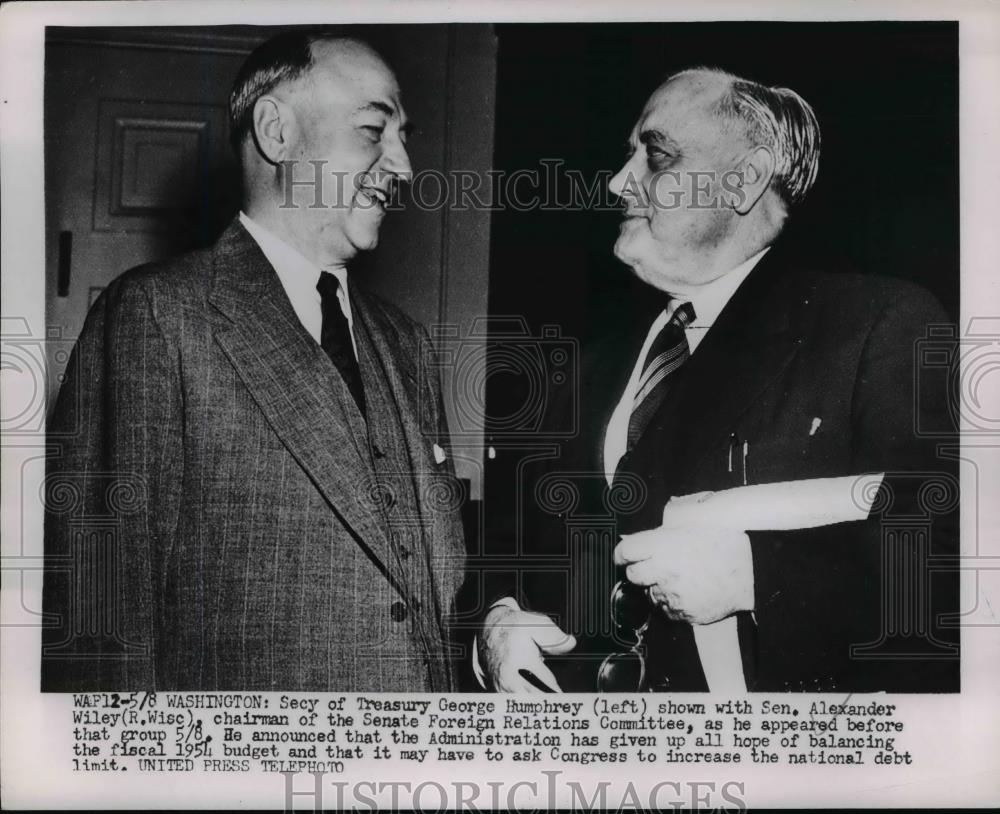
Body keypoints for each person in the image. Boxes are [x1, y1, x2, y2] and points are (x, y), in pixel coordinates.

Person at [479, 67, 958, 693]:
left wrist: (758, 577)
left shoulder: (878, 326)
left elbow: (945, 561)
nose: (620, 181)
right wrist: (499, 620)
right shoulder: (586, 364)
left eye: (655, 155)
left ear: (745, 179)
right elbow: (508, 541)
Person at [41, 32, 466, 692]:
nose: (405, 167)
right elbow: (106, 618)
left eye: (404, 137)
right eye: (373, 131)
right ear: (276, 131)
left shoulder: (407, 344)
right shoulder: (157, 314)